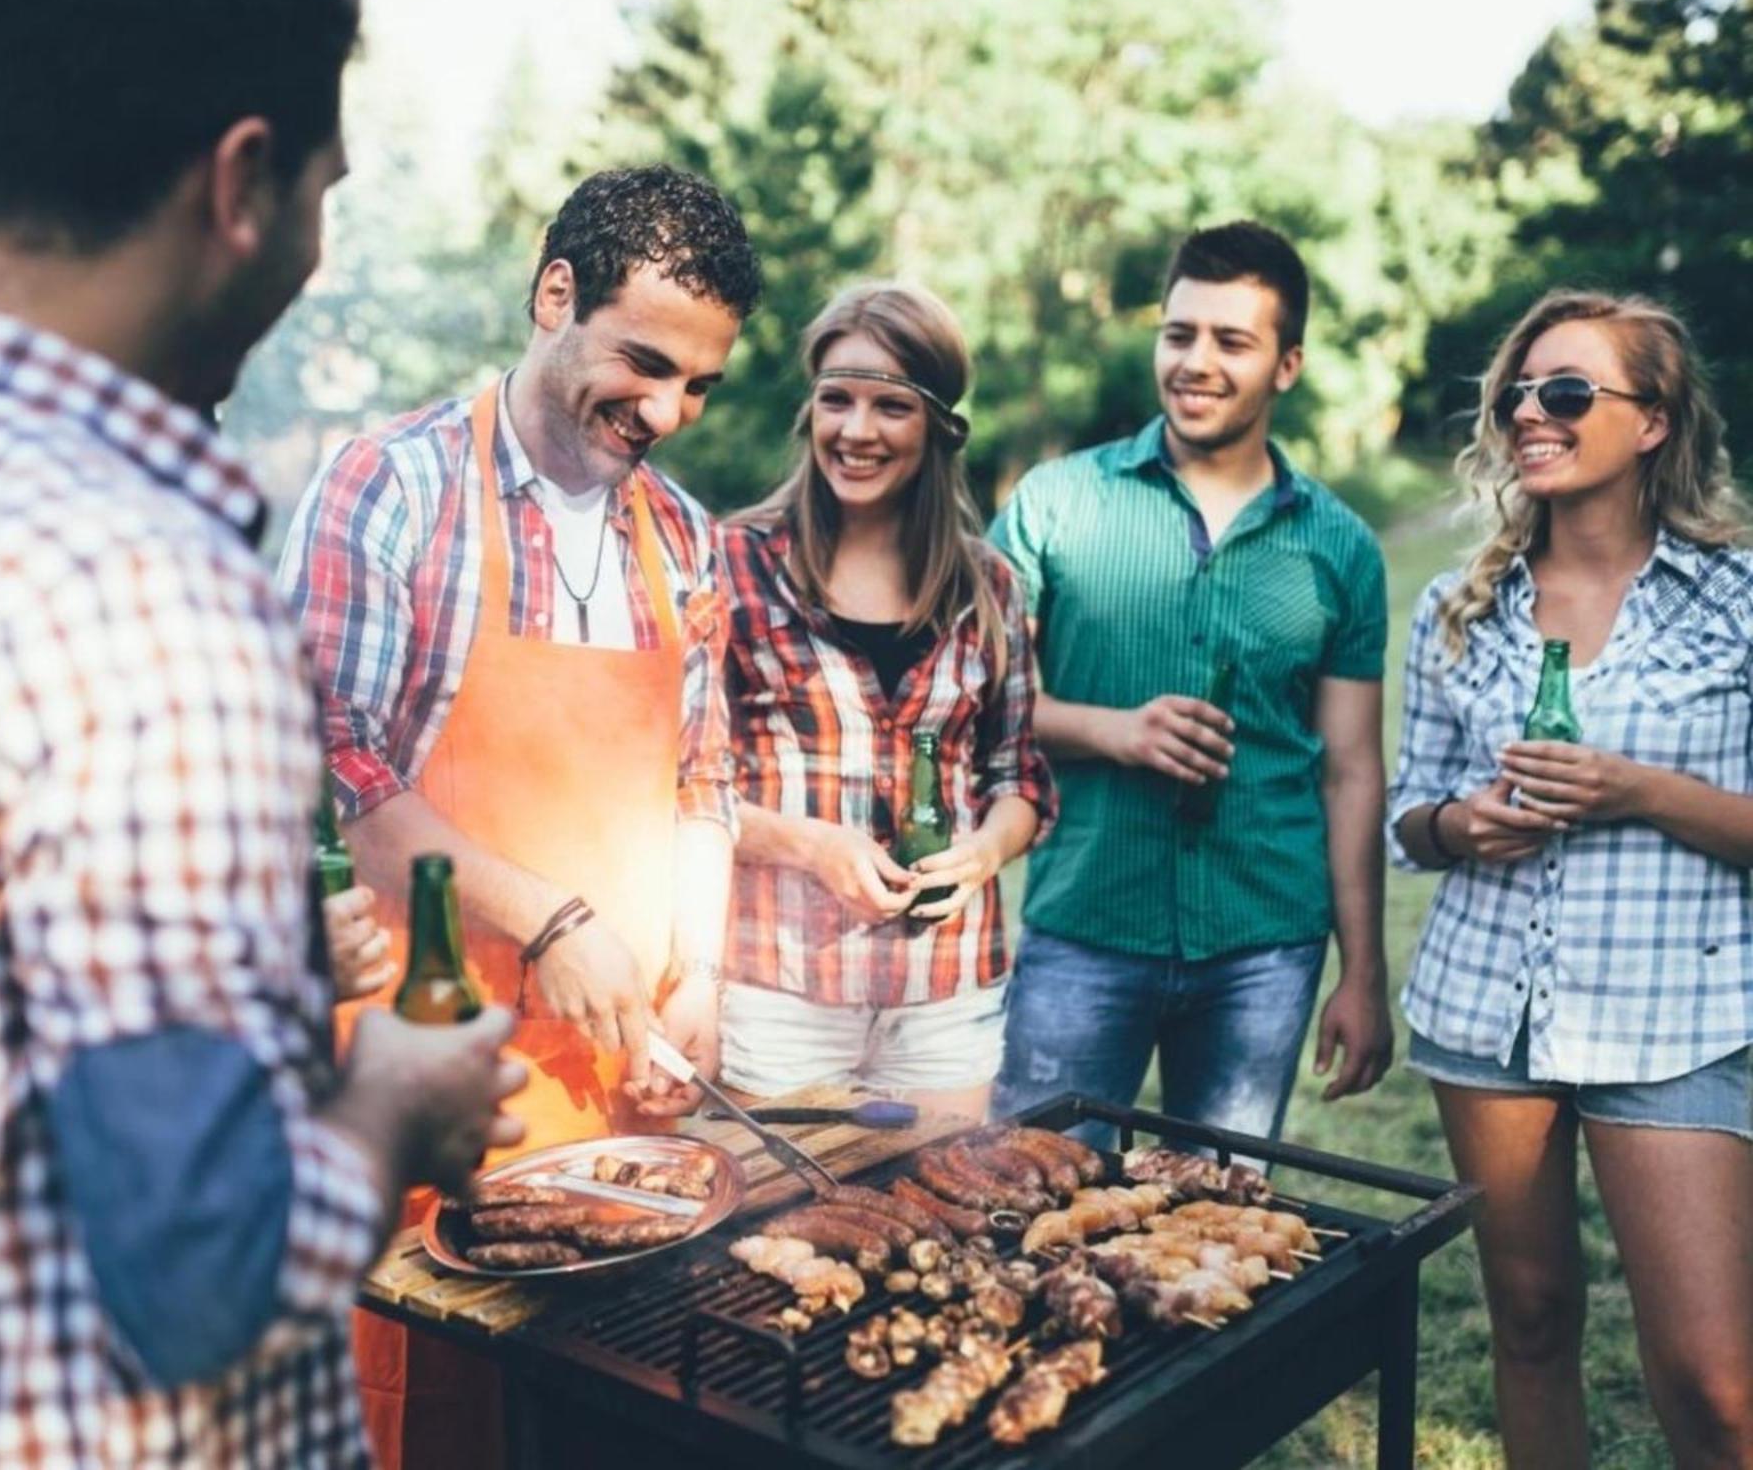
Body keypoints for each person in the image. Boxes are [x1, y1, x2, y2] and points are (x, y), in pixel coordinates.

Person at [0, 0, 528, 1464]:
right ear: (240, 181)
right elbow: (203, 1279)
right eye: (323, 194)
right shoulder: (140, 587)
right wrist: (389, 1104)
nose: (314, 246)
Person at [279, 163, 761, 1468]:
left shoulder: (684, 537)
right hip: (435, 1078)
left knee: (614, 1426)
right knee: (431, 1420)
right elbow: (340, 774)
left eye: (700, 386)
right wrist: (547, 919)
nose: (667, 411)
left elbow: (703, 781)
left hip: (627, 1090)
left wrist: (702, 968)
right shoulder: (393, 488)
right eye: (645, 362)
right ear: (556, 294)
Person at [1388, 290, 1753, 1469]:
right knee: (1531, 1322)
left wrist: (1631, 790)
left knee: (1711, 1379)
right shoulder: (1456, 608)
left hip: (1677, 1018)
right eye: (1514, 395)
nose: (1527, 416)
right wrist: (1461, 822)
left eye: (1564, 393)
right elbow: (1408, 812)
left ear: (1650, 423)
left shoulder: (1736, 603)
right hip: (1487, 1010)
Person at [987, 220, 1393, 1146]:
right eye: (1180, 335)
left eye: (1231, 341)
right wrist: (1114, 731)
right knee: (1034, 1205)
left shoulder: (1342, 548)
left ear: (1287, 364)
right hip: (1087, 924)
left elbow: (1353, 772)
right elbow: (985, 707)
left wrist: (1362, 973)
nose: (1196, 363)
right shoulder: (1055, 504)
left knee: (1215, 1236)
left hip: (1264, 942)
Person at [717, 281, 1053, 1118]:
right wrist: (807, 845)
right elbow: (678, 788)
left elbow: (1022, 780)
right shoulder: (732, 564)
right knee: (782, 1235)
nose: (856, 431)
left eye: (890, 406)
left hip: (943, 987)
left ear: (939, 426)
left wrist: (981, 854)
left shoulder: (991, 587)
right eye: (837, 400)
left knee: (939, 1229)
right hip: (779, 982)